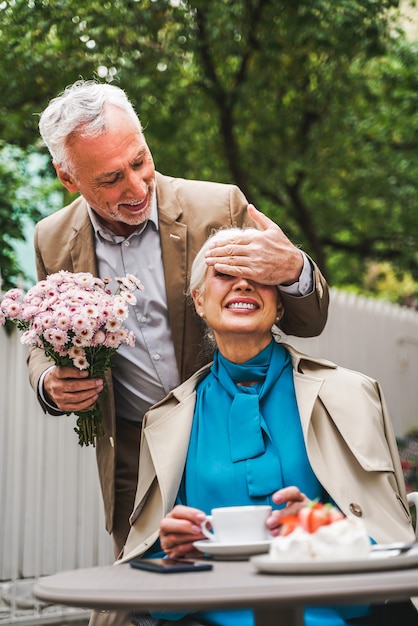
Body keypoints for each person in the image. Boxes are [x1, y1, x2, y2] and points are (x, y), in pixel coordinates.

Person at [27, 80, 329, 557]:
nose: (136, 186)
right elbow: (46, 338)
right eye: (110, 179)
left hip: (237, 435)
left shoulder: (220, 207)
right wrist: (48, 381)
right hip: (135, 455)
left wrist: (294, 270)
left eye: (140, 161)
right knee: (151, 597)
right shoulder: (51, 239)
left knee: (249, 583)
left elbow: (306, 322)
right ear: (69, 178)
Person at [115, 226, 417, 626]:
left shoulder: (352, 395)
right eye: (224, 272)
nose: (243, 282)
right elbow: (150, 590)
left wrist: (324, 530)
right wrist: (170, 554)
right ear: (199, 300)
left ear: (279, 306)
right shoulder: (165, 420)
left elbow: (391, 548)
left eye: (260, 275)